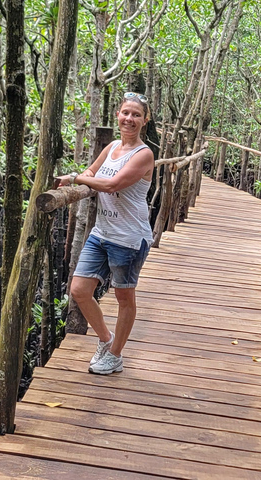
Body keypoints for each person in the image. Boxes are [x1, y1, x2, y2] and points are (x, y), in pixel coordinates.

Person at [58, 92, 155, 375]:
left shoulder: (144, 153)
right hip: (102, 232)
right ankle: (105, 339)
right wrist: (79, 178)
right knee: (79, 290)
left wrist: (76, 178)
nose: (130, 119)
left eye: (136, 115)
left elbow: (111, 184)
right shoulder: (112, 146)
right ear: (117, 114)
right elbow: (93, 170)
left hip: (128, 237)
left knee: (124, 297)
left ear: (145, 120)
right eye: (126, 113)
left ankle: (115, 355)